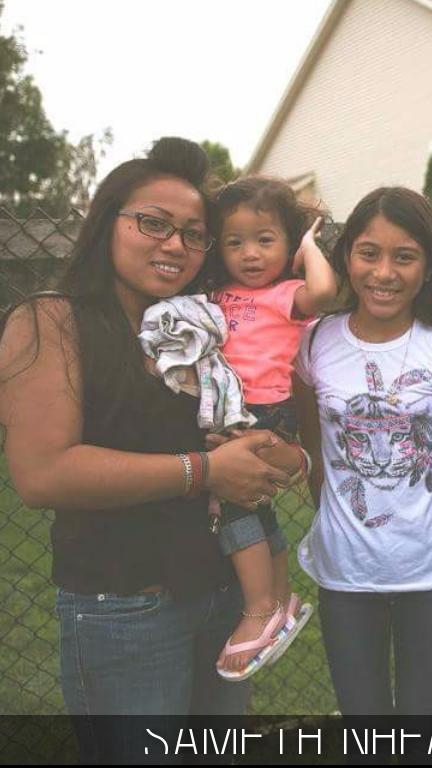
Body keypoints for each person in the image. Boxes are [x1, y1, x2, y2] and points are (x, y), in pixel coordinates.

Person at [0, 138, 294, 759]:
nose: (175, 244)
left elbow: (265, 430)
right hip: (126, 605)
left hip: (222, 595)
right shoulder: (52, 321)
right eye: (153, 223)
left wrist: (280, 457)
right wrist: (206, 470)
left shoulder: (200, 325)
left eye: (194, 234)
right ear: (107, 221)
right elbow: (43, 474)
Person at [293, 187, 432, 716]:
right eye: (369, 253)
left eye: (404, 256)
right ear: (347, 257)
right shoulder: (314, 341)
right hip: (346, 572)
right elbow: (315, 449)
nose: (384, 273)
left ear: (428, 267)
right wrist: (335, 516)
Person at [207, 177, 338, 680]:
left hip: (264, 412)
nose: (250, 253)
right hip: (230, 409)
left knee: (232, 503)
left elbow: (324, 292)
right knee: (256, 506)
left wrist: (309, 248)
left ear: (288, 243)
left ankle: (259, 608)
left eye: (265, 240)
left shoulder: (286, 294)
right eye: (235, 242)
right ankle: (280, 598)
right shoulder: (219, 294)